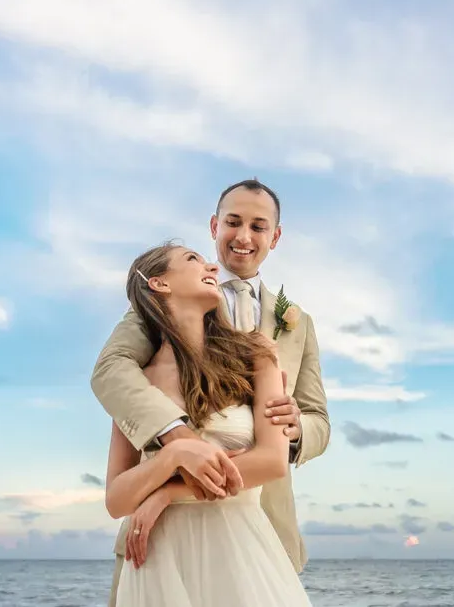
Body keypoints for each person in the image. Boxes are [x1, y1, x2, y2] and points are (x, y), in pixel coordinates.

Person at [91, 179, 330, 605]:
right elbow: (112, 371)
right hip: (158, 544)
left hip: (258, 527)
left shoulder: (297, 325)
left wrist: (297, 429)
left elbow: (316, 419)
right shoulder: (160, 304)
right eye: (233, 222)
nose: (243, 236)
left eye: (258, 226)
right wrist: (178, 442)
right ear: (214, 225)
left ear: (274, 237)